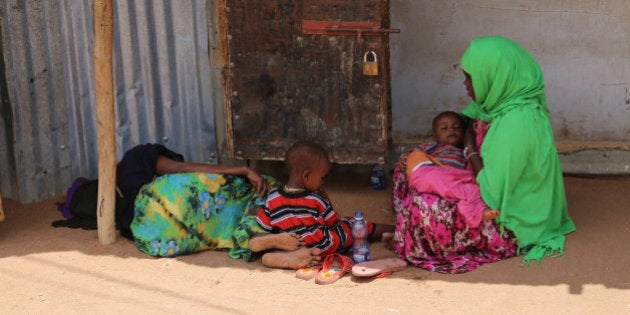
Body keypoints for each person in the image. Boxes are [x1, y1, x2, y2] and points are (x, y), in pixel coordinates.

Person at [391, 36, 575, 273]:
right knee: (407, 164)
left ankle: (409, 232)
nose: (466, 84)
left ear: (495, 75)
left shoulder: (517, 123)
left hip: (511, 217)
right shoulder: (496, 102)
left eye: (471, 78)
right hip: (482, 177)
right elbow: (462, 120)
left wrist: (468, 153)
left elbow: (493, 193)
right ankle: (404, 228)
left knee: (421, 206)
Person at [256, 140, 394, 269]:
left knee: (285, 237)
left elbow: (264, 226)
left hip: (292, 245)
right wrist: (327, 201)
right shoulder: (315, 200)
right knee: (353, 225)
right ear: (306, 176)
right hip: (322, 246)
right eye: (322, 177)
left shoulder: (272, 197)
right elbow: (333, 222)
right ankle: (394, 230)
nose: (322, 182)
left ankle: (286, 254)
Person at [404, 110, 499, 228]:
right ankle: (470, 208)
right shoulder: (431, 147)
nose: (451, 130)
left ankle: (474, 210)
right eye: (444, 128)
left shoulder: (466, 152)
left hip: (455, 181)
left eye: (456, 128)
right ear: (435, 136)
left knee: (473, 188)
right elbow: (415, 157)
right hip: (435, 175)